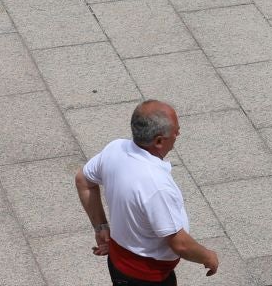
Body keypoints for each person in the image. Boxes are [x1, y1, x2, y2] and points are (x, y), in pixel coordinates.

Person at [75, 101, 220, 284]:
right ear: (159, 141)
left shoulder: (115, 149)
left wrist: (100, 227)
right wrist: (208, 256)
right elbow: (180, 244)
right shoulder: (156, 186)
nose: (178, 134)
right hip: (146, 277)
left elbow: (83, 180)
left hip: (118, 261)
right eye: (175, 131)